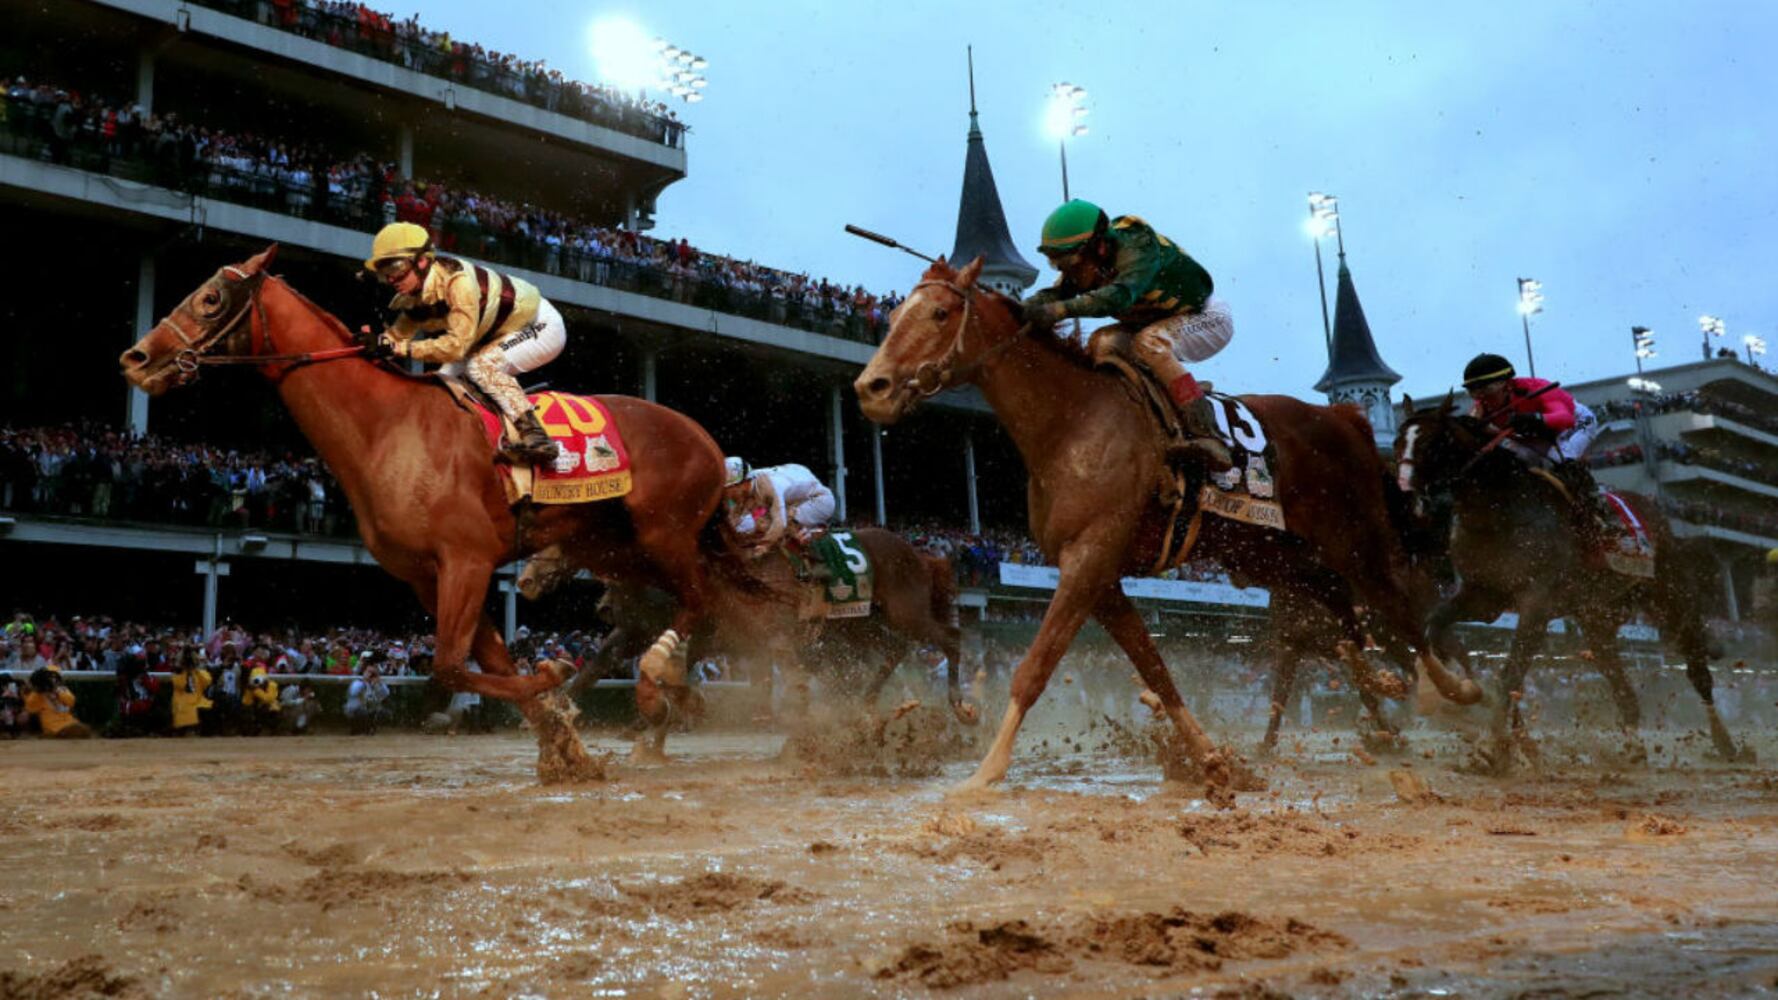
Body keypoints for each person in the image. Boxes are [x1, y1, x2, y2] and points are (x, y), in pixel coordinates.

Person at [1019, 199, 1234, 469]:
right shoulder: (1092, 262)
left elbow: (1117, 297)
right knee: (1102, 343)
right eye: (1058, 265)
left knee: (1150, 342)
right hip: (1159, 321)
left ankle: (1206, 432)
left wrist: (1059, 310)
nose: (1067, 272)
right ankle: (1154, 407)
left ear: (1099, 247)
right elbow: (1053, 295)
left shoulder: (1137, 246)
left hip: (1207, 317)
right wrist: (1014, 308)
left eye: (1071, 263)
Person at [362, 221, 566, 464]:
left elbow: (455, 347)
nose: (392, 279)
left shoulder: (458, 283)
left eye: (396, 267)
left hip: (539, 325)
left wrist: (400, 348)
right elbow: (395, 338)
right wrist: (371, 343)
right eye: (384, 272)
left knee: (481, 367)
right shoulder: (412, 295)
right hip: (491, 335)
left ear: (422, 261)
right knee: (440, 384)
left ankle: (537, 437)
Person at [1461, 352, 1605, 529]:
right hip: (1534, 434)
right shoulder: (1480, 408)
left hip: (1576, 423)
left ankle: (1595, 506)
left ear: (1507, 384)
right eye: (1473, 392)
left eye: (1487, 390)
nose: (1481, 398)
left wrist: (1535, 418)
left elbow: (1565, 418)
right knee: (1516, 462)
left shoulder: (1537, 387)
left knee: (1564, 457)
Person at [723, 458, 836, 555]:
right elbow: (734, 521)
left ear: (744, 483)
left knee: (771, 524)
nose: (729, 495)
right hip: (798, 490)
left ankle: (812, 534)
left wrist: (765, 545)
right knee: (759, 523)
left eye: (730, 489)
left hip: (820, 501)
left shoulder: (769, 486)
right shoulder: (751, 482)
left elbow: (780, 523)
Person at [24, 667, 90, 739]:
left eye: (53, 677)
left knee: (83, 730)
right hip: (53, 727)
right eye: (50, 677)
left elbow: (71, 702)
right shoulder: (38, 695)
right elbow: (30, 708)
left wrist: (56, 691)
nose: (52, 680)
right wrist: (37, 690)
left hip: (70, 723)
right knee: (75, 731)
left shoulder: (62, 690)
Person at [168, 647, 213, 737]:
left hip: (198, 699)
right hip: (182, 700)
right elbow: (180, 685)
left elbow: (207, 682)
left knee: (207, 707)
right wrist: (181, 670)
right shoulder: (178, 674)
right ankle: (185, 730)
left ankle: (199, 731)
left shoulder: (198, 673)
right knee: (183, 708)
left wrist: (197, 668)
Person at [344, 659, 392, 735]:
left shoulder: (378, 683)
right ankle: (356, 729)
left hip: (370, 709)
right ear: (364, 672)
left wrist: (378, 684)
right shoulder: (358, 682)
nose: (370, 675)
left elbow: (386, 694)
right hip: (355, 710)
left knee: (385, 713)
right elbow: (353, 692)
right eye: (369, 672)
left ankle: (370, 728)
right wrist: (365, 681)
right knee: (362, 712)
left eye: (373, 673)